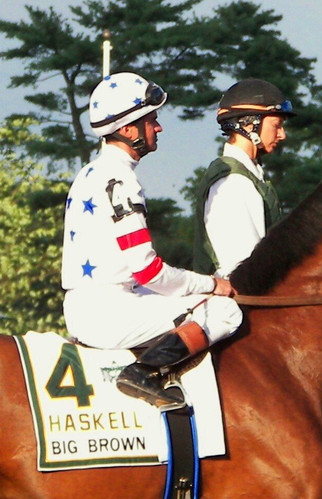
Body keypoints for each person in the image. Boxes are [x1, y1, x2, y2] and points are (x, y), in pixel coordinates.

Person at [62, 72, 242, 410]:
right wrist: (212, 285)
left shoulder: (90, 172)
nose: (158, 128)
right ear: (129, 130)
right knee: (225, 310)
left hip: (92, 303)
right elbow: (149, 272)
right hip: (109, 310)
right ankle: (143, 374)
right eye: (151, 120)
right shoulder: (121, 180)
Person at [193, 78, 295, 276]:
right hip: (233, 303)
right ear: (249, 125)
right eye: (277, 125)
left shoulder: (250, 176)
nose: (282, 135)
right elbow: (246, 269)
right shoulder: (233, 183)